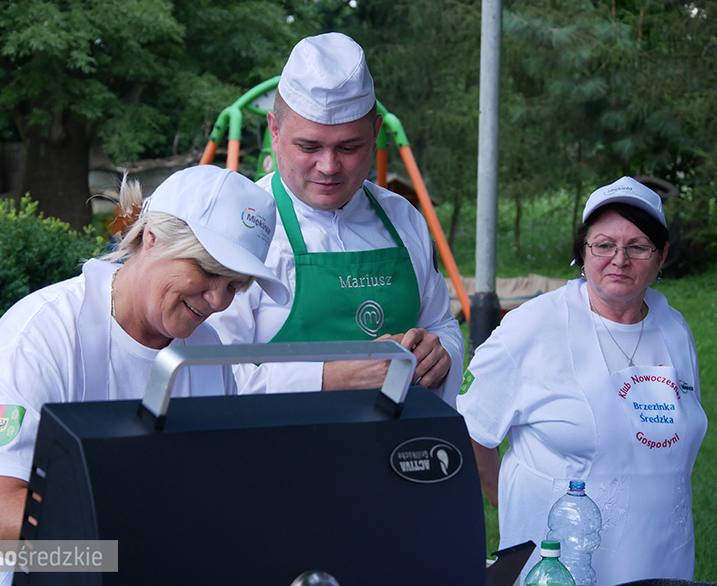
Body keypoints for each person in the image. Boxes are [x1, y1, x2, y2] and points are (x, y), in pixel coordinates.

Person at [0, 165, 288, 584]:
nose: (219, 300)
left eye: (235, 285)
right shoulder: (40, 335)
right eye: (209, 271)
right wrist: (124, 555)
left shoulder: (206, 353)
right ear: (152, 239)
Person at [456, 176, 708, 585]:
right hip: (560, 566)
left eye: (638, 246)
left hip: (663, 556)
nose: (619, 259)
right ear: (583, 251)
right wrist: (510, 509)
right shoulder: (532, 327)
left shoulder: (674, 329)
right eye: (604, 245)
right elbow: (470, 430)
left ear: (662, 255)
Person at [207, 32, 464, 404]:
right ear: (274, 131)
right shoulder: (240, 226)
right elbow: (213, 372)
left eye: (349, 147)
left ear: (375, 133)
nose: (328, 167)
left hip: (393, 453)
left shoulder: (404, 218)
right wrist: (328, 377)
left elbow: (440, 324)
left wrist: (441, 356)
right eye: (308, 147)